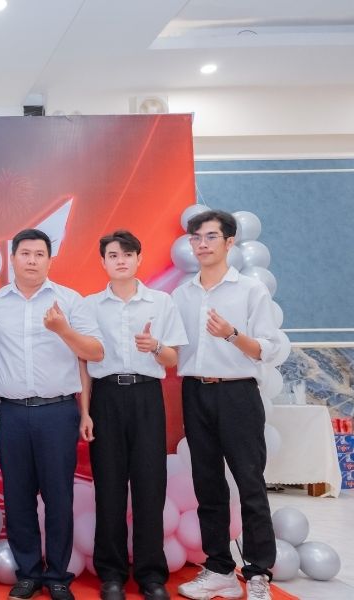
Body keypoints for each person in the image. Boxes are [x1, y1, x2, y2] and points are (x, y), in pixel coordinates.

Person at [0, 228, 103, 600]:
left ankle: (58, 574)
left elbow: (94, 352)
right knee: (18, 497)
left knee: (59, 496)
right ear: (12, 258)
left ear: (49, 259)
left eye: (39, 254)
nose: (31, 260)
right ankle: (28, 572)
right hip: (11, 414)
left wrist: (63, 330)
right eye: (25, 253)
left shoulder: (70, 301)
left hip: (58, 412)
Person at [173, 210, 283, 600]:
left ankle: (258, 573)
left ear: (230, 242)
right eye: (196, 238)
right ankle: (219, 568)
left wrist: (232, 334)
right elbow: (174, 350)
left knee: (250, 483)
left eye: (211, 237)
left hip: (238, 394)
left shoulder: (250, 290)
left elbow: (267, 349)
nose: (202, 244)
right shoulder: (181, 295)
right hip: (194, 391)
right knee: (207, 484)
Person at [77, 230, 187, 600]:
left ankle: (151, 575)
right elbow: (84, 362)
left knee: (149, 487)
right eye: (113, 255)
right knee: (108, 487)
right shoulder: (90, 306)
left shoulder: (160, 302)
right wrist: (85, 411)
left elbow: (172, 359)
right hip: (105, 396)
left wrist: (155, 346)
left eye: (127, 254)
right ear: (103, 262)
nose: (121, 260)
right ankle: (111, 574)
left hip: (146, 396)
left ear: (139, 258)